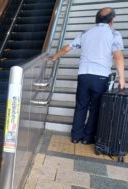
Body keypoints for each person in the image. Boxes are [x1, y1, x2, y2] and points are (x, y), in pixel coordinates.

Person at [50, 7, 126, 145]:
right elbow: (118, 57)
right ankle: (87, 138)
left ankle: (75, 136)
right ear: (111, 21)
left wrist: (55, 57)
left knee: (81, 105)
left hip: (83, 75)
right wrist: (121, 79)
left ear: (96, 20)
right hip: (101, 77)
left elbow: (67, 48)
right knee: (95, 107)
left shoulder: (86, 33)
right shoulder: (114, 34)